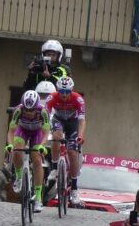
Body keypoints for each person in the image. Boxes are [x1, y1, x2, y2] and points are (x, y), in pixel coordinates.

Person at [5, 90, 50, 212]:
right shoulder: (18, 110)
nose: (29, 113)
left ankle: (38, 197)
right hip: (22, 130)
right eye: (26, 110)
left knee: (37, 160)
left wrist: (42, 145)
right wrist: (10, 145)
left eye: (31, 110)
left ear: (36, 107)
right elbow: (11, 131)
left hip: (37, 133)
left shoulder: (43, 111)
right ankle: (19, 177)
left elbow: (46, 133)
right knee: (17, 150)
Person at [45, 76, 86, 206]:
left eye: (67, 91)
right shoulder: (52, 98)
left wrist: (80, 135)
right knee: (56, 136)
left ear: (71, 90)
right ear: (57, 91)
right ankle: (54, 167)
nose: (64, 95)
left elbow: (82, 121)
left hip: (73, 123)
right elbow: (45, 117)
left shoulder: (78, 99)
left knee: (72, 152)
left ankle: (74, 189)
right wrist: (45, 132)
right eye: (61, 92)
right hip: (58, 119)